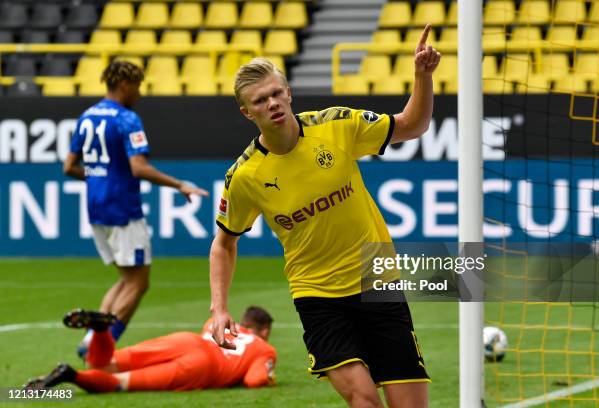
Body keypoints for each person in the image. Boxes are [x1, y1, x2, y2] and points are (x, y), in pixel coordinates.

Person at [210, 24, 440, 408]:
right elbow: (223, 244)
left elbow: (412, 125)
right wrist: (219, 309)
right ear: (246, 112)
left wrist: (422, 76)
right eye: (260, 100)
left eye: (275, 93)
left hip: (376, 277)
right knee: (364, 400)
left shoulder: (336, 125)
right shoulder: (245, 176)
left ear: (288, 92)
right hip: (317, 293)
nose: (272, 104)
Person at [63, 61, 209, 358]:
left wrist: (98, 178)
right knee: (139, 282)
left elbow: (69, 167)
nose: (139, 94)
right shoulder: (127, 119)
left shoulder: (87, 116)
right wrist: (179, 185)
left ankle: (92, 336)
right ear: (125, 84)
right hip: (122, 207)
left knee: (127, 278)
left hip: (96, 206)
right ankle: (101, 348)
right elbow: (139, 168)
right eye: (138, 87)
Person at [24, 306, 276, 392]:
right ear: (263, 331)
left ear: (244, 321)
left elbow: (210, 336)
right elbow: (255, 380)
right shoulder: (264, 348)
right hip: (203, 366)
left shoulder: (217, 322)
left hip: (186, 341)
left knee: (101, 364)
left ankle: (100, 330)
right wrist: (269, 378)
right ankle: (70, 375)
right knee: (118, 381)